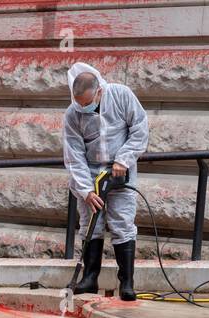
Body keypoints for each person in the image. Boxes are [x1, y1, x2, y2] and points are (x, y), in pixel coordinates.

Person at [62, 62, 149, 300]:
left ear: (99, 91)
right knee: (91, 224)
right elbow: (73, 155)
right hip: (89, 174)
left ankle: (127, 282)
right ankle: (89, 278)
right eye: (80, 104)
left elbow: (140, 129)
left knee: (122, 223)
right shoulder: (72, 114)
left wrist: (124, 159)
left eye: (88, 103)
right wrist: (86, 190)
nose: (84, 108)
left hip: (119, 171)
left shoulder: (121, 95)